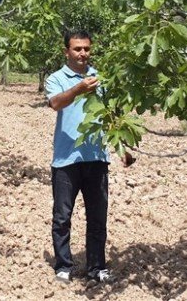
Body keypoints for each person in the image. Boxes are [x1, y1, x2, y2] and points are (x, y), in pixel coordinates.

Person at [45, 30, 116, 284]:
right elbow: (55, 103)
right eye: (77, 49)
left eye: (86, 48)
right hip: (66, 159)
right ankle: (64, 265)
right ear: (67, 51)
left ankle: (97, 266)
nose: (82, 53)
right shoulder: (56, 78)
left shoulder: (101, 80)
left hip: (96, 157)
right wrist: (78, 88)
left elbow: (111, 117)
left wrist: (124, 149)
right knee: (62, 217)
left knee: (97, 217)